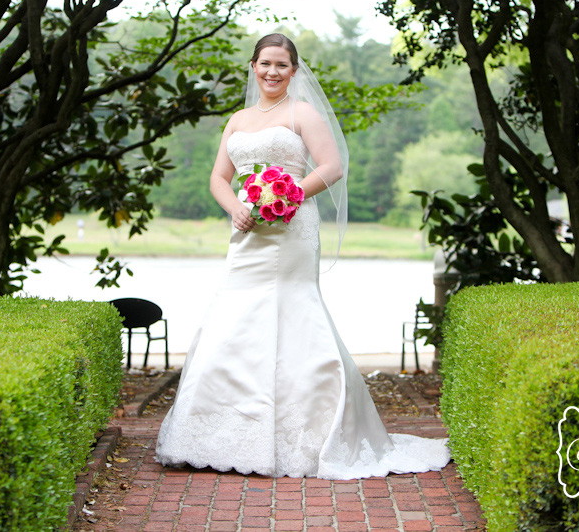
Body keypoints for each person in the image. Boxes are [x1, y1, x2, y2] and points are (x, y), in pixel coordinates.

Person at [155, 33, 451, 479]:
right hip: (248, 232)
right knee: (235, 314)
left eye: (282, 65)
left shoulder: (303, 113)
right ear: (253, 66)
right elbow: (219, 177)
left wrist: (285, 196)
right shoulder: (237, 120)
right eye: (265, 63)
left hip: (292, 228)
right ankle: (224, 432)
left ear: (294, 71)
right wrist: (236, 205)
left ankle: (308, 435)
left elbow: (331, 166)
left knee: (293, 309)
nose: (272, 72)